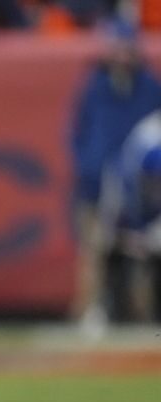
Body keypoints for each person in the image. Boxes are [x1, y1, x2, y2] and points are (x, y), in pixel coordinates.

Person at [68, 18, 161, 332]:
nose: (122, 53)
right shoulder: (95, 85)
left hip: (139, 189)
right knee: (94, 248)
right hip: (97, 182)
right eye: (117, 46)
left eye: (126, 46)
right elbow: (77, 131)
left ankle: (144, 317)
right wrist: (87, 166)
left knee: (142, 251)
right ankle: (89, 313)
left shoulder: (148, 86)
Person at [99, 109, 161, 322]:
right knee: (111, 248)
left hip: (148, 207)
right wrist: (138, 231)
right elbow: (132, 191)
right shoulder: (148, 140)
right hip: (127, 203)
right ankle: (109, 309)